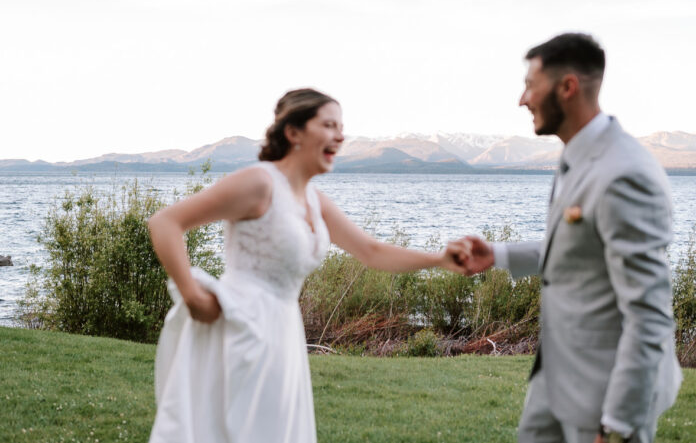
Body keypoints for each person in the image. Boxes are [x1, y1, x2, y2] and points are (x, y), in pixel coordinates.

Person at [147, 88, 470, 443]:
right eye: (329, 125)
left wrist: (440, 259)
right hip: (243, 323)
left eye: (341, 127)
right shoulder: (259, 182)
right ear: (293, 132)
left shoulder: (315, 201)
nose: (340, 136)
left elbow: (372, 251)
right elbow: (165, 223)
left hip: (283, 329)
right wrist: (193, 297)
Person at [458, 33, 682, 443]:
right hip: (556, 379)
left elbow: (649, 313)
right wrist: (499, 254)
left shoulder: (623, 174)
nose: (522, 100)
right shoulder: (578, 154)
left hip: (604, 392)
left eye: (531, 85)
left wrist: (617, 424)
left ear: (567, 87)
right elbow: (581, 251)